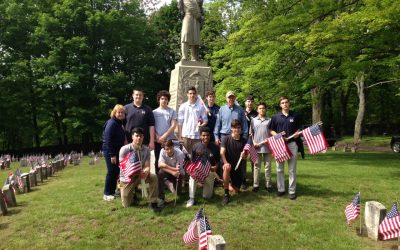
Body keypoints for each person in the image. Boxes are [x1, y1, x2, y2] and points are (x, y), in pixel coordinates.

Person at [119, 128, 161, 212]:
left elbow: (147, 166)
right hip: (128, 178)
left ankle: (153, 202)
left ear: (143, 137)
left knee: (153, 177)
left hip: (141, 175)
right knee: (126, 205)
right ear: (132, 137)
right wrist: (136, 172)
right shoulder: (124, 149)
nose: (139, 138)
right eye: (137, 136)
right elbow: (122, 167)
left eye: (141, 136)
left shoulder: (146, 150)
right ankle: (132, 195)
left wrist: (145, 171)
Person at [268, 96, 301, 200]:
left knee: (292, 169)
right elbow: (271, 130)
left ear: (289, 103)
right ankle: (281, 189)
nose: (285, 104)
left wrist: (297, 133)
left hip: (292, 144)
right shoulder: (275, 117)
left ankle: (292, 191)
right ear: (280, 105)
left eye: (286, 102)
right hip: (280, 145)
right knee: (279, 169)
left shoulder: (295, 115)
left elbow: (300, 128)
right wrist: (278, 135)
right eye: (282, 102)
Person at [186, 127, 220, 207]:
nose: (206, 137)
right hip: (198, 171)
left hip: (209, 171)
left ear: (210, 136)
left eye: (207, 135)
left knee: (207, 197)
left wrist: (216, 167)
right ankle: (191, 198)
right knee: (192, 176)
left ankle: (206, 188)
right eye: (203, 135)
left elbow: (218, 160)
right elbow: (193, 161)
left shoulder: (215, 147)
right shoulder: (195, 146)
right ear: (200, 136)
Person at [102, 104, 127, 201]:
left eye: (122, 112)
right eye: (118, 112)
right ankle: (107, 193)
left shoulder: (119, 123)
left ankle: (112, 191)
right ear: (114, 113)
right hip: (110, 151)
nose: (120, 114)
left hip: (116, 151)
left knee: (116, 171)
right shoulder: (111, 123)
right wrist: (112, 155)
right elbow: (108, 139)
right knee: (111, 172)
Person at [220, 120, 248, 205]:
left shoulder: (244, 141)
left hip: (237, 168)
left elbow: (246, 156)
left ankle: (225, 182)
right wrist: (225, 162)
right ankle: (226, 194)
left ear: (241, 129)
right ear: (232, 128)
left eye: (239, 128)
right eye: (235, 128)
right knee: (227, 168)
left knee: (236, 190)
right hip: (227, 165)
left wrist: (244, 156)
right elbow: (222, 152)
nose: (237, 129)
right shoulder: (226, 138)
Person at [178, 86, 208, 156]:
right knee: (185, 157)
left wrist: (201, 125)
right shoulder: (183, 106)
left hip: (197, 136)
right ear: (187, 94)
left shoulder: (201, 106)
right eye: (190, 93)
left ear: (196, 94)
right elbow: (180, 123)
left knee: (197, 157)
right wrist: (180, 136)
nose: (192, 95)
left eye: (194, 93)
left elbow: (205, 120)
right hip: (185, 136)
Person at [249, 102, 272, 192]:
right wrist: (254, 142)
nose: (261, 110)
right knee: (256, 166)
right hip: (256, 147)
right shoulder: (253, 120)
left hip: (267, 147)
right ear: (257, 110)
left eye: (263, 108)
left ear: (266, 109)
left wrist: (267, 140)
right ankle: (256, 185)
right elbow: (251, 133)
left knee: (267, 166)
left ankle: (268, 185)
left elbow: (271, 133)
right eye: (260, 108)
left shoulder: (269, 120)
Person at [153, 90, 177, 173]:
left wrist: (164, 136)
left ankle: (170, 178)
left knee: (170, 160)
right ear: (159, 99)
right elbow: (152, 126)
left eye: (166, 99)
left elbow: (173, 125)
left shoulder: (172, 111)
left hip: (169, 140)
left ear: (168, 101)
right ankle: (159, 180)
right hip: (158, 141)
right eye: (162, 98)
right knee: (158, 160)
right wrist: (157, 137)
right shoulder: (154, 112)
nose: (164, 100)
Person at [157, 140, 185, 206]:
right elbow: (160, 165)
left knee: (177, 193)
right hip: (167, 171)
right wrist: (172, 171)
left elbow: (178, 169)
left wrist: (166, 166)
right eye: (167, 149)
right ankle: (161, 198)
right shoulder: (162, 151)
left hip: (178, 172)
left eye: (171, 148)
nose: (169, 151)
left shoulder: (179, 153)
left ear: (173, 147)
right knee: (160, 173)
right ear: (164, 149)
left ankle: (170, 185)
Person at [242, 95, 258, 189]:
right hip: (243, 138)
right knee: (243, 159)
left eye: (251, 101)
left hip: (252, 139)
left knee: (253, 159)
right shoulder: (241, 112)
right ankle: (243, 180)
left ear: (253, 103)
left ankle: (254, 180)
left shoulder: (256, 114)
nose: (250, 103)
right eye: (248, 101)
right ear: (245, 103)